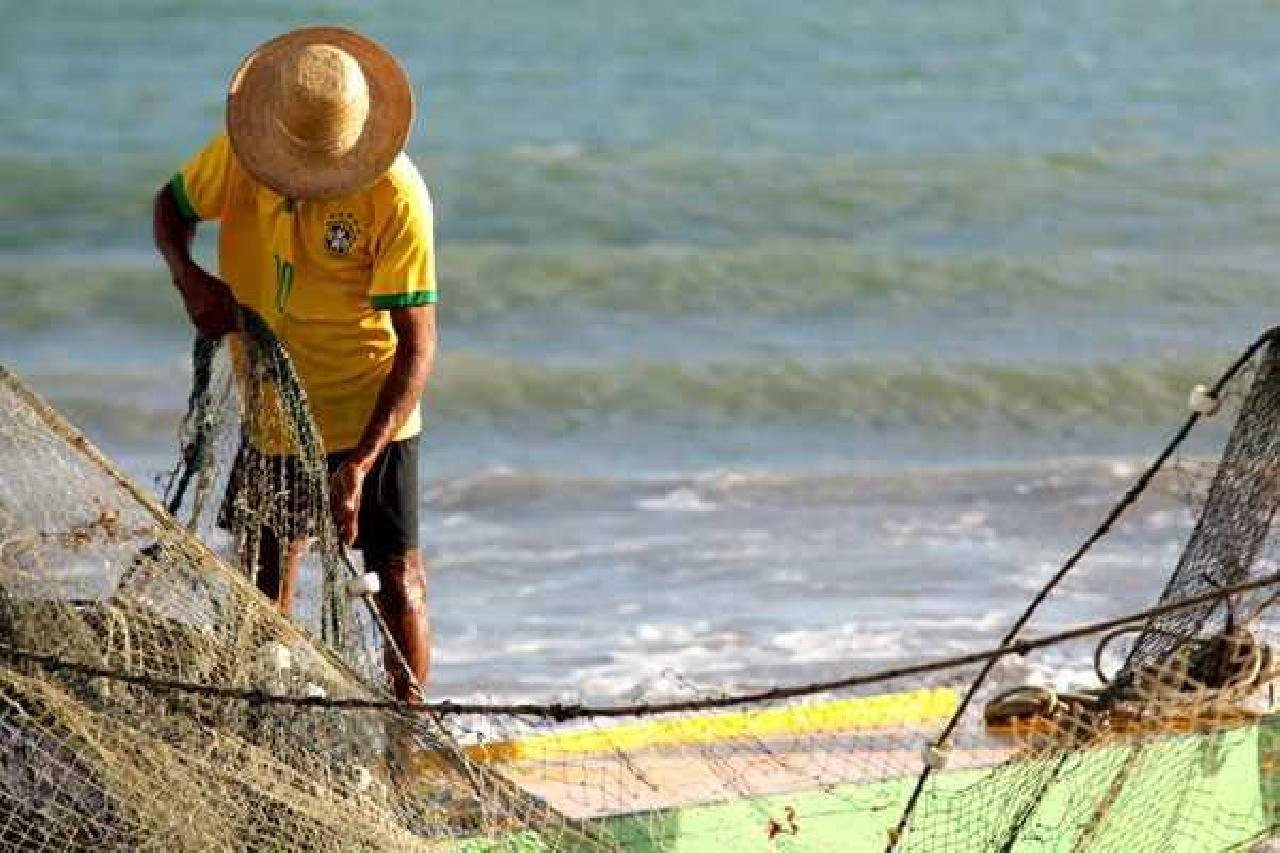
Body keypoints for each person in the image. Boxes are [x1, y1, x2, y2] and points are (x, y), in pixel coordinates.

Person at [152, 27, 437, 700]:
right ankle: (269, 727)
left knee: (394, 580)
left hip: (372, 415)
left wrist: (360, 464)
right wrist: (188, 277)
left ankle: (407, 739)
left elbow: (418, 344)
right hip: (272, 411)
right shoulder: (241, 156)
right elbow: (171, 208)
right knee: (261, 588)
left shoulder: (395, 196)